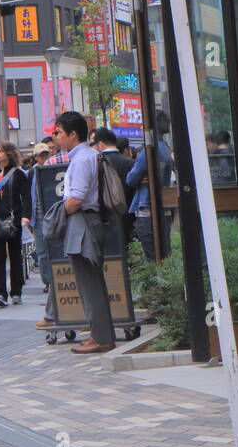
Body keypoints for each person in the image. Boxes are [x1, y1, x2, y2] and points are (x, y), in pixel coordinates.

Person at [54, 111, 115, 354]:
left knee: (89, 283)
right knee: (93, 282)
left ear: (73, 134)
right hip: (92, 221)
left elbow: (76, 198)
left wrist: (60, 212)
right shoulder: (91, 155)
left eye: (59, 132)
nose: (56, 137)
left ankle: (100, 338)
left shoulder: (81, 159)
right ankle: (101, 335)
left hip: (85, 222)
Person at [0, 142, 32, 308]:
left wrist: (26, 217)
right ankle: (0, 292)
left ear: (9, 154)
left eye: (1, 151)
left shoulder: (19, 174)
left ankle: (16, 291)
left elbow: (26, 197)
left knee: (15, 256)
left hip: (14, 219)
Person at [33, 137, 71, 329]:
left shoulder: (51, 164)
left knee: (61, 266)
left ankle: (53, 314)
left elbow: (39, 197)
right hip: (74, 219)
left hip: (57, 219)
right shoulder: (83, 158)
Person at [126, 126, 174, 263]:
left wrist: (141, 178)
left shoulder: (147, 151)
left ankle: (157, 283)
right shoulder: (166, 148)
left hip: (147, 206)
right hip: (164, 206)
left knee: (151, 255)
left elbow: (131, 179)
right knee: (165, 252)